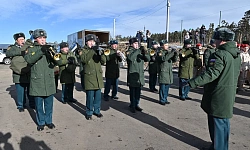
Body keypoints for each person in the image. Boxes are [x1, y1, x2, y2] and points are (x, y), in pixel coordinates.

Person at [187, 27, 241, 150]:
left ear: (221, 40)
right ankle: (219, 145)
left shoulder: (219, 54)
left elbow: (211, 74)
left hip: (218, 94)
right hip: (228, 93)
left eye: (216, 39)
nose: (214, 42)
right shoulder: (236, 55)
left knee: (217, 123)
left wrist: (192, 83)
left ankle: (219, 147)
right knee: (223, 124)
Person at [24, 29, 56, 131]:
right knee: (38, 105)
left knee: (49, 104)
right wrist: (41, 51)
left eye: (44, 38)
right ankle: (41, 122)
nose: (43, 40)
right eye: (40, 38)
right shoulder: (31, 49)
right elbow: (29, 60)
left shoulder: (50, 48)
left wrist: (52, 55)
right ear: (36, 39)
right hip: (37, 81)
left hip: (49, 80)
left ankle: (49, 121)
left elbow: (57, 62)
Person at [6, 33, 35, 112]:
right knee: (20, 91)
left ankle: (32, 104)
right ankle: (21, 105)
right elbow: (8, 53)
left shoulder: (28, 47)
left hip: (28, 73)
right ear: (16, 41)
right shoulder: (12, 48)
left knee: (31, 91)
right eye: (21, 39)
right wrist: (23, 51)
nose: (23, 41)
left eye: (23, 39)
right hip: (18, 74)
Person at [79, 34, 106, 120]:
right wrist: (92, 51)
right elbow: (84, 59)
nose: (92, 43)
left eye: (93, 42)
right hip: (89, 77)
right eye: (90, 41)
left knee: (98, 97)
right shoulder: (83, 50)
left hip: (98, 76)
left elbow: (103, 61)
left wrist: (101, 54)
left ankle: (97, 111)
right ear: (86, 42)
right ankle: (89, 112)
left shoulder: (97, 50)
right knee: (90, 97)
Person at [126, 37, 150, 113]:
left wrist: (144, 52)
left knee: (138, 92)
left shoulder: (139, 51)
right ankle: (132, 105)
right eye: (135, 43)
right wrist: (138, 50)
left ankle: (136, 104)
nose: (137, 45)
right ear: (132, 44)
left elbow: (147, 59)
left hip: (139, 75)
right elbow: (131, 58)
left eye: (138, 43)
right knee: (132, 92)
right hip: (132, 75)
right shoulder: (129, 51)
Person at [156, 40, 178, 105]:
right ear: (162, 45)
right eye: (165, 45)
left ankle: (165, 98)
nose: (167, 46)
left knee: (167, 87)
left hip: (168, 72)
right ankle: (162, 99)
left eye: (167, 45)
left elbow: (174, 60)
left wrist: (175, 54)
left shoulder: (168, 52)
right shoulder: (159, 52)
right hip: (163, 71)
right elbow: (164, 58)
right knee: (162, 87)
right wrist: (171, 53)